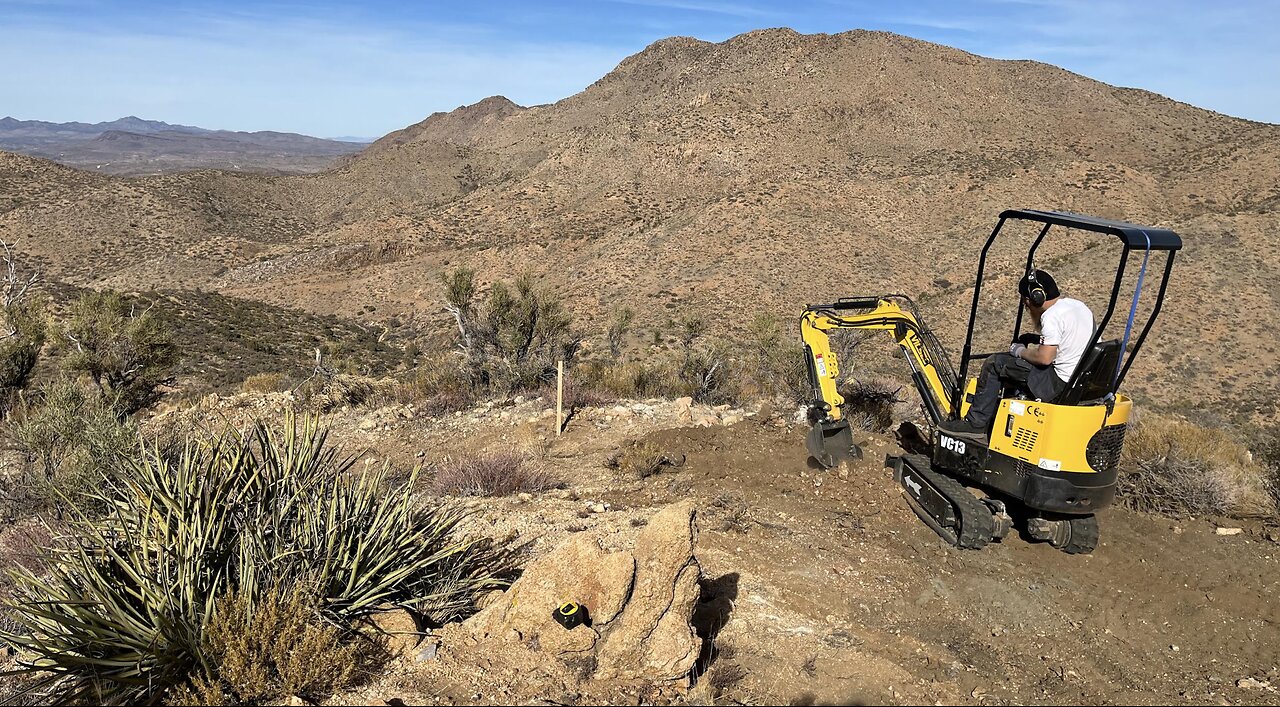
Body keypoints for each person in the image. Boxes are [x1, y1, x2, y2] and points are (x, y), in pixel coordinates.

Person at [940, 269, 1095, 435]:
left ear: (1035, 298)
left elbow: (1044, 358)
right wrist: (1034, 339)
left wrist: (1019, 351)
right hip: (1080, 383)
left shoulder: (1051, 316)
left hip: (1057, 386)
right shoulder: (1078, 306)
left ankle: (975, 424)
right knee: (1015, 367)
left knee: (994, 363)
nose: (1025, 305)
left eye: (1025, 300)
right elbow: (1067, 341)